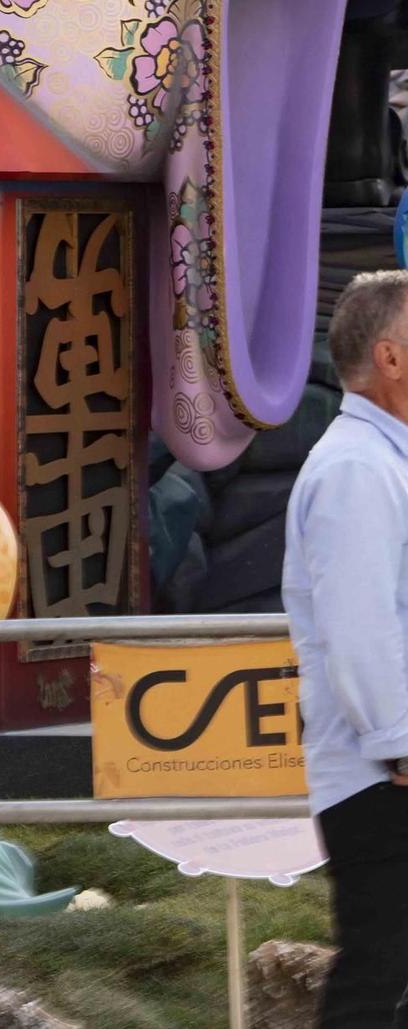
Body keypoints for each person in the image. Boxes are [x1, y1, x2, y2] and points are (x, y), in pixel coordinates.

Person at [285, 269, 408, 1028]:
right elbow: (362, 627)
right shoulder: (357, 467)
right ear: (392, 358)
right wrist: (401, 743)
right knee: (381, 972)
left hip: (387, 763)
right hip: (382, 773)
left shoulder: (381, 460)